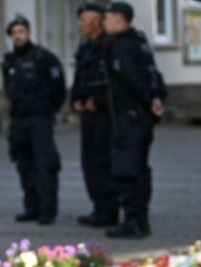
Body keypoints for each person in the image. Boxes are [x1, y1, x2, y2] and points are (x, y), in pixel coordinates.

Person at [103, 2, 166, 239]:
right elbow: (153, 75)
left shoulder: (121, 46)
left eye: (107, 18)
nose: (104, 23)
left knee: (127, 170)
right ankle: (140, 220)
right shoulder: (139, 42)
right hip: (140, 117)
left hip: (129, 118)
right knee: (139, 169)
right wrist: (156, 98)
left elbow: (132, 80)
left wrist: (149, 100)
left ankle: (133, 221)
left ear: (119, 19)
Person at [2, 15, 67, 225]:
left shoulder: (44, 58)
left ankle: (47, 209)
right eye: (14, 33)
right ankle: (32, 207)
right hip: (19, 119)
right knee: (24, 164)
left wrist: (49, 110)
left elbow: (58, 89)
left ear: (29, 33)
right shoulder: (10, 61)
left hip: (40, 118)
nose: (18, 36)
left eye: (21, 32)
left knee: (45, 164)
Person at [71, 2, 117, 228]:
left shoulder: (109, 46)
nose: (80, 25)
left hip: (105, 115)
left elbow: (113, 82)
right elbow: (79, 77)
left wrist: (97, 101)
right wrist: (76, 99)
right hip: (87, 115)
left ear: (97, 22)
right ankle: (99, 207)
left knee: (104, 161)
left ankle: (109, 209)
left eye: (84, 21)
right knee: (89, 162)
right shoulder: (85, 47)